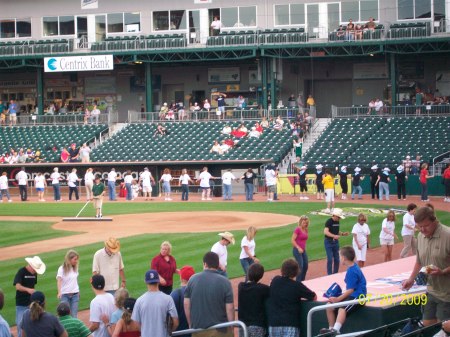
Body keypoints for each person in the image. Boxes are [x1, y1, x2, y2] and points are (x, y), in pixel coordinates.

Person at [401, 206, 450, 327]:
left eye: (425, 226)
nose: (422, 229)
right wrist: (411, 279)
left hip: (447, 293)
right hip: (431, 290)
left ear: (435, 221)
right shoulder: (420, 237)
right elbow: (419, 261)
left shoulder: (448, 235)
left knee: (443, 328)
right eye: (419, 226)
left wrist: (443, 271)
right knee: (427, 324)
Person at [184, 252, 234, 336]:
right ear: (218, 265)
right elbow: (230, 308)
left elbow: (186, 304)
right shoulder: (225, 282)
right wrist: (231, 327)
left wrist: (191, 325)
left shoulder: (192, 280)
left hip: (198, 331)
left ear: (205, 264)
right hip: (221, 331)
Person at [320, 246, 367, 335]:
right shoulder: (352, 267)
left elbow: (350, 290)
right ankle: (331, 329)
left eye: (340, 256)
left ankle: (336, 331)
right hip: (352, 295)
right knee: (329, 306)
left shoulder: (352, 271)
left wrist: (337, 299)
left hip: (359, 297)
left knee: (342, 309)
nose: (339, 258)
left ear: (344, 258)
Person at [267, 259, 317, 337]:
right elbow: (313, 297)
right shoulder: (297, 286)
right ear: (296, 271)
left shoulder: (275, 280)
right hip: (290, 324)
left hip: (274, 324)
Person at [132, 270, 179, 337]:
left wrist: (145, 331)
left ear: (145, 281)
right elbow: (175, 322)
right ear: (158, 281)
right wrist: (169, 332)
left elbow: (136, 323)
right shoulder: (168, 299)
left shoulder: (139, 300)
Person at [14, 256, 46, 337]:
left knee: (34, 323)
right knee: (20, 324)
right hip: (21, 303)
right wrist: (28, 290)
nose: (35, 271)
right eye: (35, 269)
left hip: (31, 304)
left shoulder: (34, 274)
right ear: (31, 265)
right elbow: (17, 286)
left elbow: (33, 285)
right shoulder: (21, 272)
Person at [238, 263, 270, 337]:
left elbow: (248, 283)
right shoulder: (263, 288)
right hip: (257, 326)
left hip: (243, 326)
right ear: (261, 276)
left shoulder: (241, 286)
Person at [170, 266, 195, 337]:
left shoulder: (176, 294)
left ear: (181, 278)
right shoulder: (198, 292)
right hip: (195, 332)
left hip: (179, 333)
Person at [324, 208, 349, 275]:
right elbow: (326, 232)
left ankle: (335, 274)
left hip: (335, 242)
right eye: (339, 217)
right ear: (334, 215)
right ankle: (329, 275)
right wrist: (334, 236)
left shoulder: (337, 222)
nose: (339, 219)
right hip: (328, 242)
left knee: (337, 259)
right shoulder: (329, 221)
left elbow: (336, 231)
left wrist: (343, 234)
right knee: (330, 259)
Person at [57, 250, 80, 318]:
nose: (76, 261)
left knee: (74, 315)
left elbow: (75, 280)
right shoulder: (61, 269)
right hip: (65, 295)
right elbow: (59, 280)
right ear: (69, 259)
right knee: (65, 315)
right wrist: (59, 292)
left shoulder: (75, 268)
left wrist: (78, 291)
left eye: (77, 259)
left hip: (75, 295)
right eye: (75, 259)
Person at [291, 215, 310, 281]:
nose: (305, 224)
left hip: (303, 250)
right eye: (303, 223)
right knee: (300, 266)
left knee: (306, 265)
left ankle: (302, 281)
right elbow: (292, 240)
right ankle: (298, 282)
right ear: (300, 222)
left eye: (306, 223)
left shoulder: (306, 230)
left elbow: (304, 240)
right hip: (297, 250)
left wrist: (302, 248)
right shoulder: (297, 229)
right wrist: (298, 248)